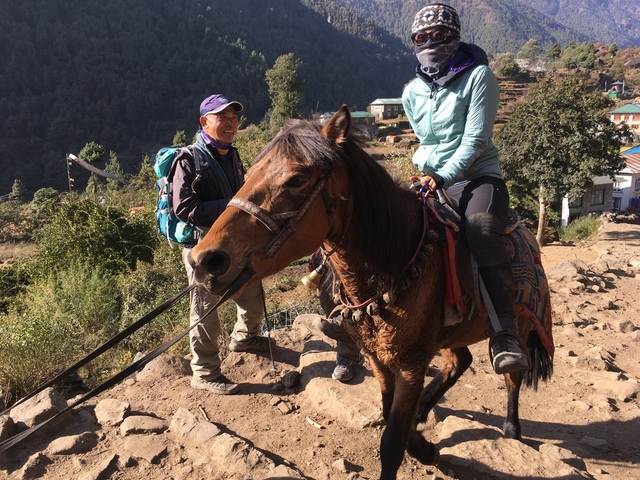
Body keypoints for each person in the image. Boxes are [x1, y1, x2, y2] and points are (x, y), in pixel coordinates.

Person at [402, 3, 530, 374]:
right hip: (429, 180)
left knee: (481, 230)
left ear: (455, 37)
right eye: (421, 38)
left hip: (476, 178)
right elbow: (426, 141)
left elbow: (475, 140)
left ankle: (505, 332)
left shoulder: (479, 77)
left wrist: (442, 176)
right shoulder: (411, 91)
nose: (430, 42)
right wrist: (428, 173)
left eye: (439, 35)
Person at [173, 94, 275, 395]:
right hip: (204, 243)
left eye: (234, 119)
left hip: (235, 240)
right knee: (206, 309)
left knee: (252, 293)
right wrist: (232, 206)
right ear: (205, 121)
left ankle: (245, 337)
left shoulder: (232, 155)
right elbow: (184, 207)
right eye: (222, 118)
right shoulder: (188, 158)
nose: (230, 124)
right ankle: (204, 372)